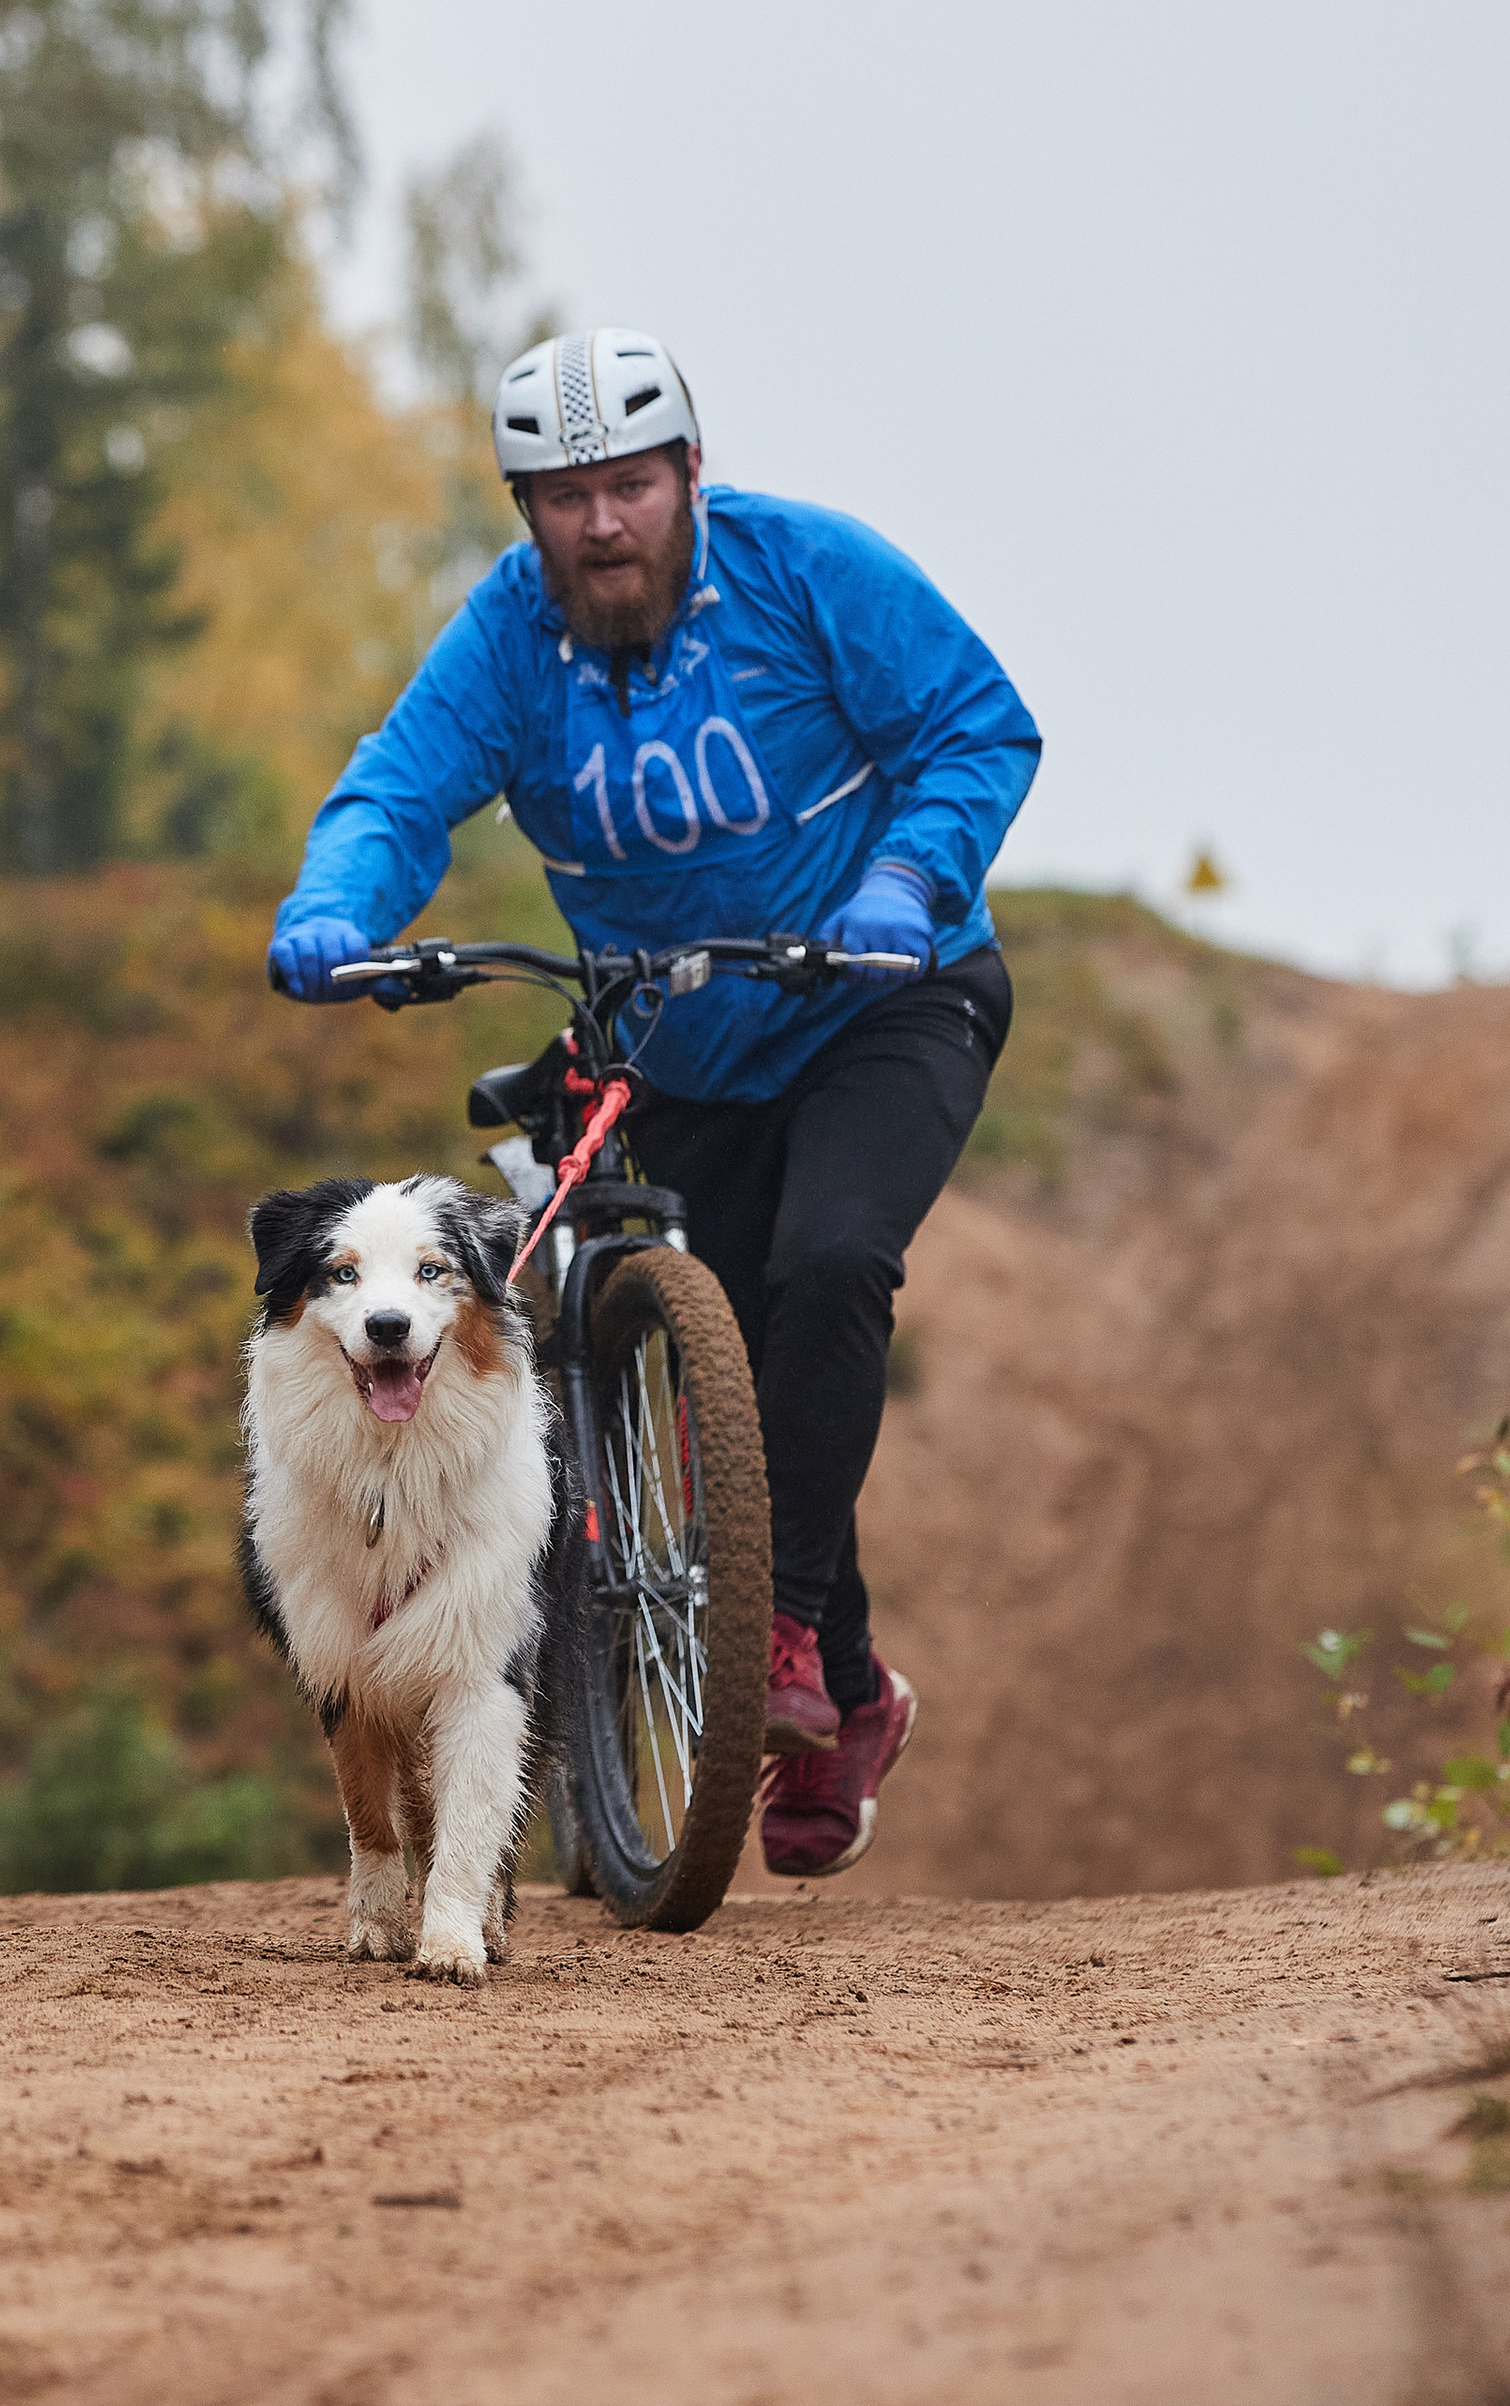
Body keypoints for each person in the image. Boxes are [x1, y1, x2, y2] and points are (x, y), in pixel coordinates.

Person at [265, 327, 1040, 1879]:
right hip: (677, 1040)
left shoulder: (810, 574)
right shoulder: (509, 642)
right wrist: (339, 903)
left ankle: (788, 1643)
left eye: (630, 484)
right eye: (564, 498)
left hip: (886, 996)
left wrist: (908, 875)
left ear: (692, 473)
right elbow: (399, 787)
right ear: (524, 512)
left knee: (830, 1268)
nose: (602, 523)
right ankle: (853, 1691)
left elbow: (976, 725)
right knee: (746, 1363)